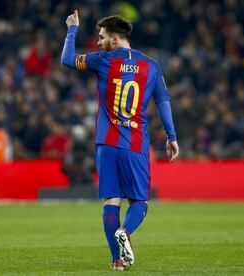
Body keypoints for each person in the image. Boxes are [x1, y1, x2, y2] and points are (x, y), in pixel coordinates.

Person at [61, 11, 179, 271]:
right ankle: (125, 231)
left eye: (102, 37)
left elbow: (67, 59)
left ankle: (117, 261)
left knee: (110, 202)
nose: (99, 41)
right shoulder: (151, 65)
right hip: (136, 144)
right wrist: (171, 136)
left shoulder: (102, 61)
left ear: (115, 39)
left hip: (107, 144)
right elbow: (163, 101)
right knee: (139, 202)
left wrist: (72, 29)